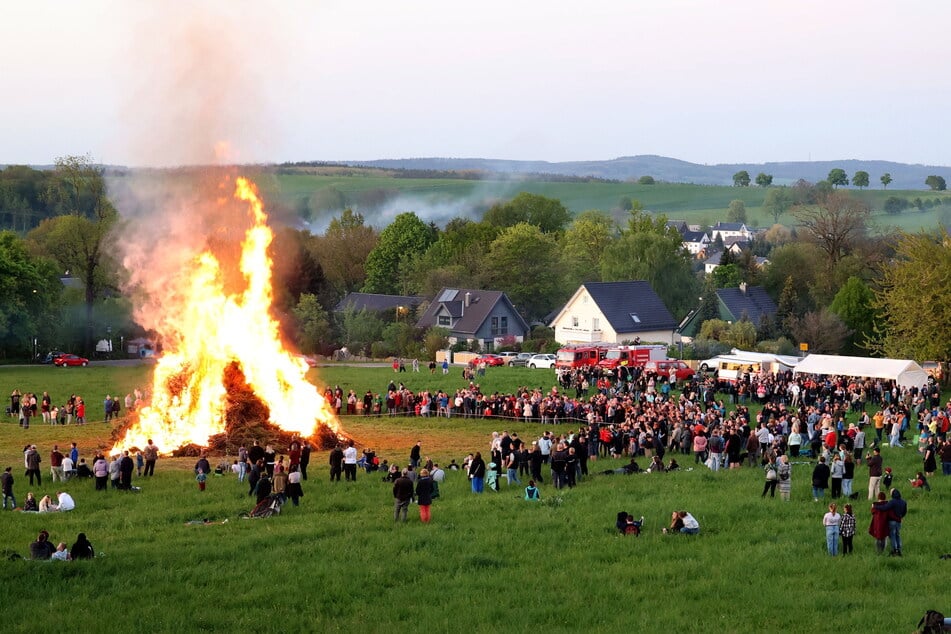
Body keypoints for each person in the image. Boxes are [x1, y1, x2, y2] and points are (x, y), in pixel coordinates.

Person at [881, 488, 908, 556]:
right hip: (899, 521)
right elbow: (905, 512)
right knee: (897, 534)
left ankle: (894, 549)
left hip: (892, 521)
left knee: (892, 535)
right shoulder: (904, 502)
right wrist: (901, 517)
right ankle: (899, 548)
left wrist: (876, 506)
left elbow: (885, 508)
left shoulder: (892, 502)